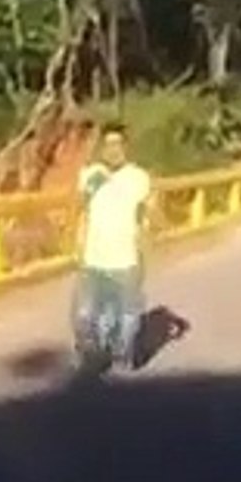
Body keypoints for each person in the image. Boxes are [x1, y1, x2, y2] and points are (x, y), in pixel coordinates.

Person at [71, 123, 154, 373]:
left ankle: (121, 355)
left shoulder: (138, 178)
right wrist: (78, 245)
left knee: (127, 316)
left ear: (126, 148)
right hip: (93, 256)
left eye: (118, 144)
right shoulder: (89, 175)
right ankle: (93, 355)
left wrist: (144, 253)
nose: (113, 150)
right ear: (101, 148)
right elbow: (81, 210)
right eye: (107, 144)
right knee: (84, 316)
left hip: (126, 257)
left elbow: (146, 217)